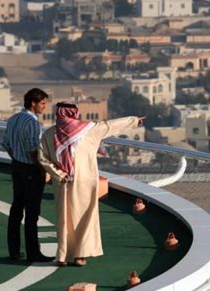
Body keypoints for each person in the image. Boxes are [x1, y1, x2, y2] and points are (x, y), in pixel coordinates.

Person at [38, 102, 142, 266]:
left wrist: (58, 174)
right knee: (85, 217)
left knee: (64, 218)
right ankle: (79, 256)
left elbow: (42, 158)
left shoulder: (49, 134)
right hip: (85, 181)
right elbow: (110, 126)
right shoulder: (89, 129)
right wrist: (134, 121)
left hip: (62, 182)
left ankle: (63, 256)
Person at [2, 87, 52, 262]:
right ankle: (33, 252)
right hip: (31, 170)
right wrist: (42, 169)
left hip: (17, 167)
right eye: (43, 103)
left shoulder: (14, 119)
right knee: (32, 213)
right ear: (34, 103)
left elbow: (6, 144)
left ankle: (14, 250)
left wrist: (17, 159)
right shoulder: (32, 123)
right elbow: (32, 151)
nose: (44, 107)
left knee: (16, 210)